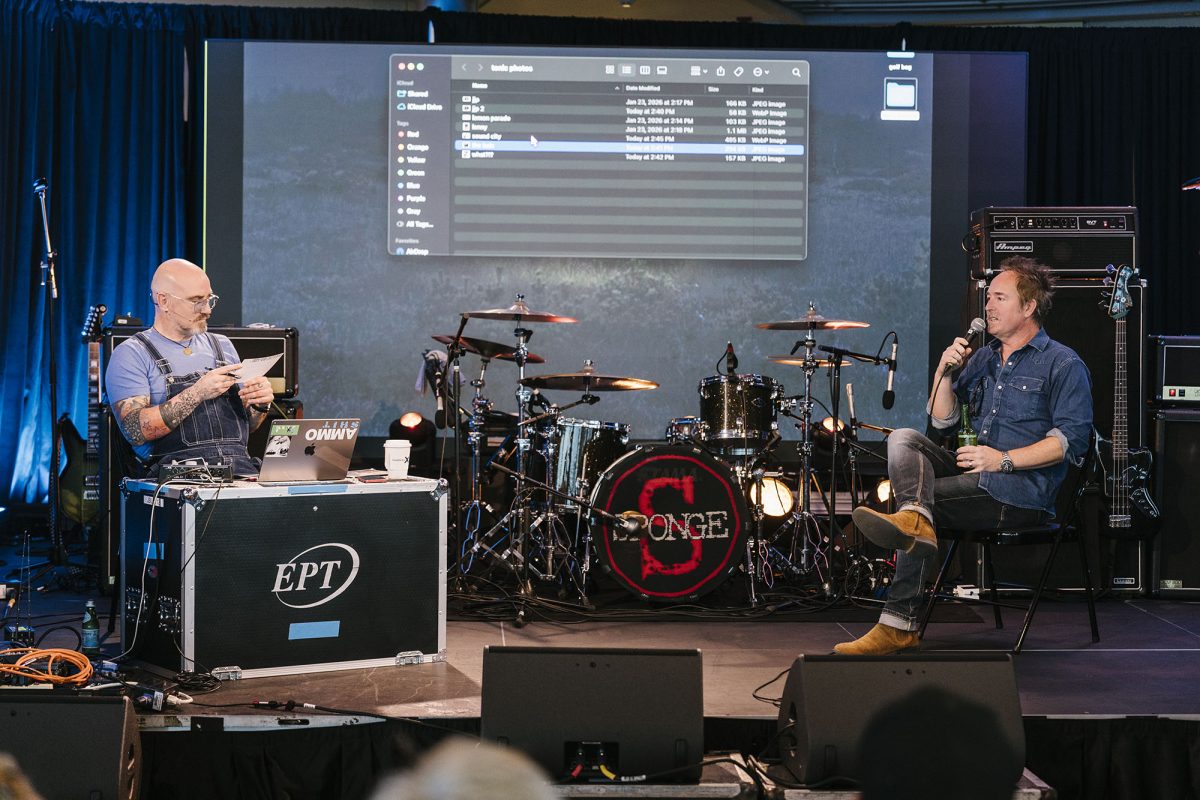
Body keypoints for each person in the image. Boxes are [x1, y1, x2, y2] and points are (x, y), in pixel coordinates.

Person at [835, 256, 1093, 655]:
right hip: (971, 476)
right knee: (903, 438)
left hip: (1019, 493)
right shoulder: (985, 357)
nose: (988, 306)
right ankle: (914, 522)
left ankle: (898, 622)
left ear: (1028, 307)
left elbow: (1070, 442)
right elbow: (943, 421)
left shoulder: (1063, 363)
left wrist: (1001, 459)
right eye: (988, 298)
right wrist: (945, 371)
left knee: (919, 506)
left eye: (999, 298)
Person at [105, 258, 275, 477]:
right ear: (164, 301)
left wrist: (259, 405)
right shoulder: (132, 354)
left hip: (238, 473)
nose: (207, 310)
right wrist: (197, 393)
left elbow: (248, 426)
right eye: (196, 301)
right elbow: (134, 431)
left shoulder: (223, 346)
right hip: (175, 480)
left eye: (209, 299)